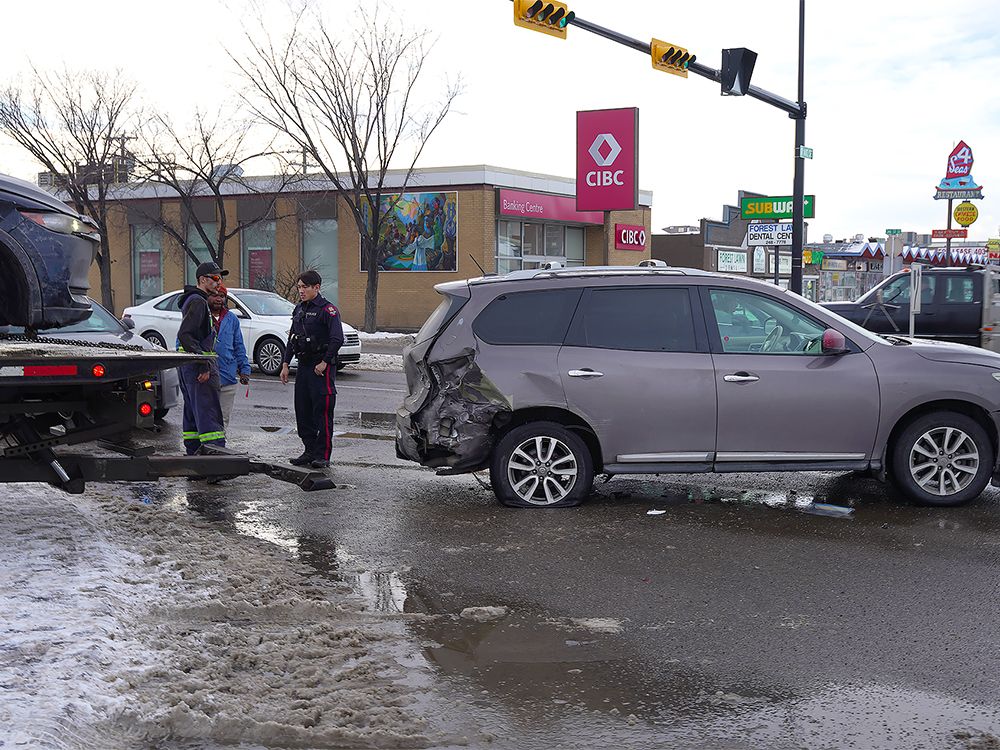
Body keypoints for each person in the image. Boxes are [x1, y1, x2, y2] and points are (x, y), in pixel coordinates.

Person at [280, 270, 344, 470]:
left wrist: (325, 362)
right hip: (304, 366)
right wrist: (285, 363)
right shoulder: (299, 309)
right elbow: (293, 338)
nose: (301, 290)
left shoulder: (328, 310)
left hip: (320, 368)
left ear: (317, 287)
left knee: (322, 412)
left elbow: (337, 339)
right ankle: (309, 451)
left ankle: (322, 455)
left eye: (305, 287)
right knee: (303, 410)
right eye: (299, 287)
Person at [177, 261, 227, 455]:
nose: (218, 282)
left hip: (189, 367)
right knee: (208, 414)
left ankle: (194, 460)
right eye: (215, 278)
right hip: (199, 369)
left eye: (220, 278)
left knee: (192, 415)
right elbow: (186, 335)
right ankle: (215, 462)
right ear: (202, 279)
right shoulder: (198, 302)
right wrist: (203, 365)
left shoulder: (194, 300)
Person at [208, 285, 251, 430]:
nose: (219, 299)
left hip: (227, 377)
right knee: (207, 416)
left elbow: (238, 345)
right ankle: (204, 447)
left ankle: (220, 445)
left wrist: (244, 369)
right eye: (215, 295)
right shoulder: (200, 315)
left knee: (223, 418)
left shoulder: (231, 319)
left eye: (222, 296)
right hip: (205, 377)